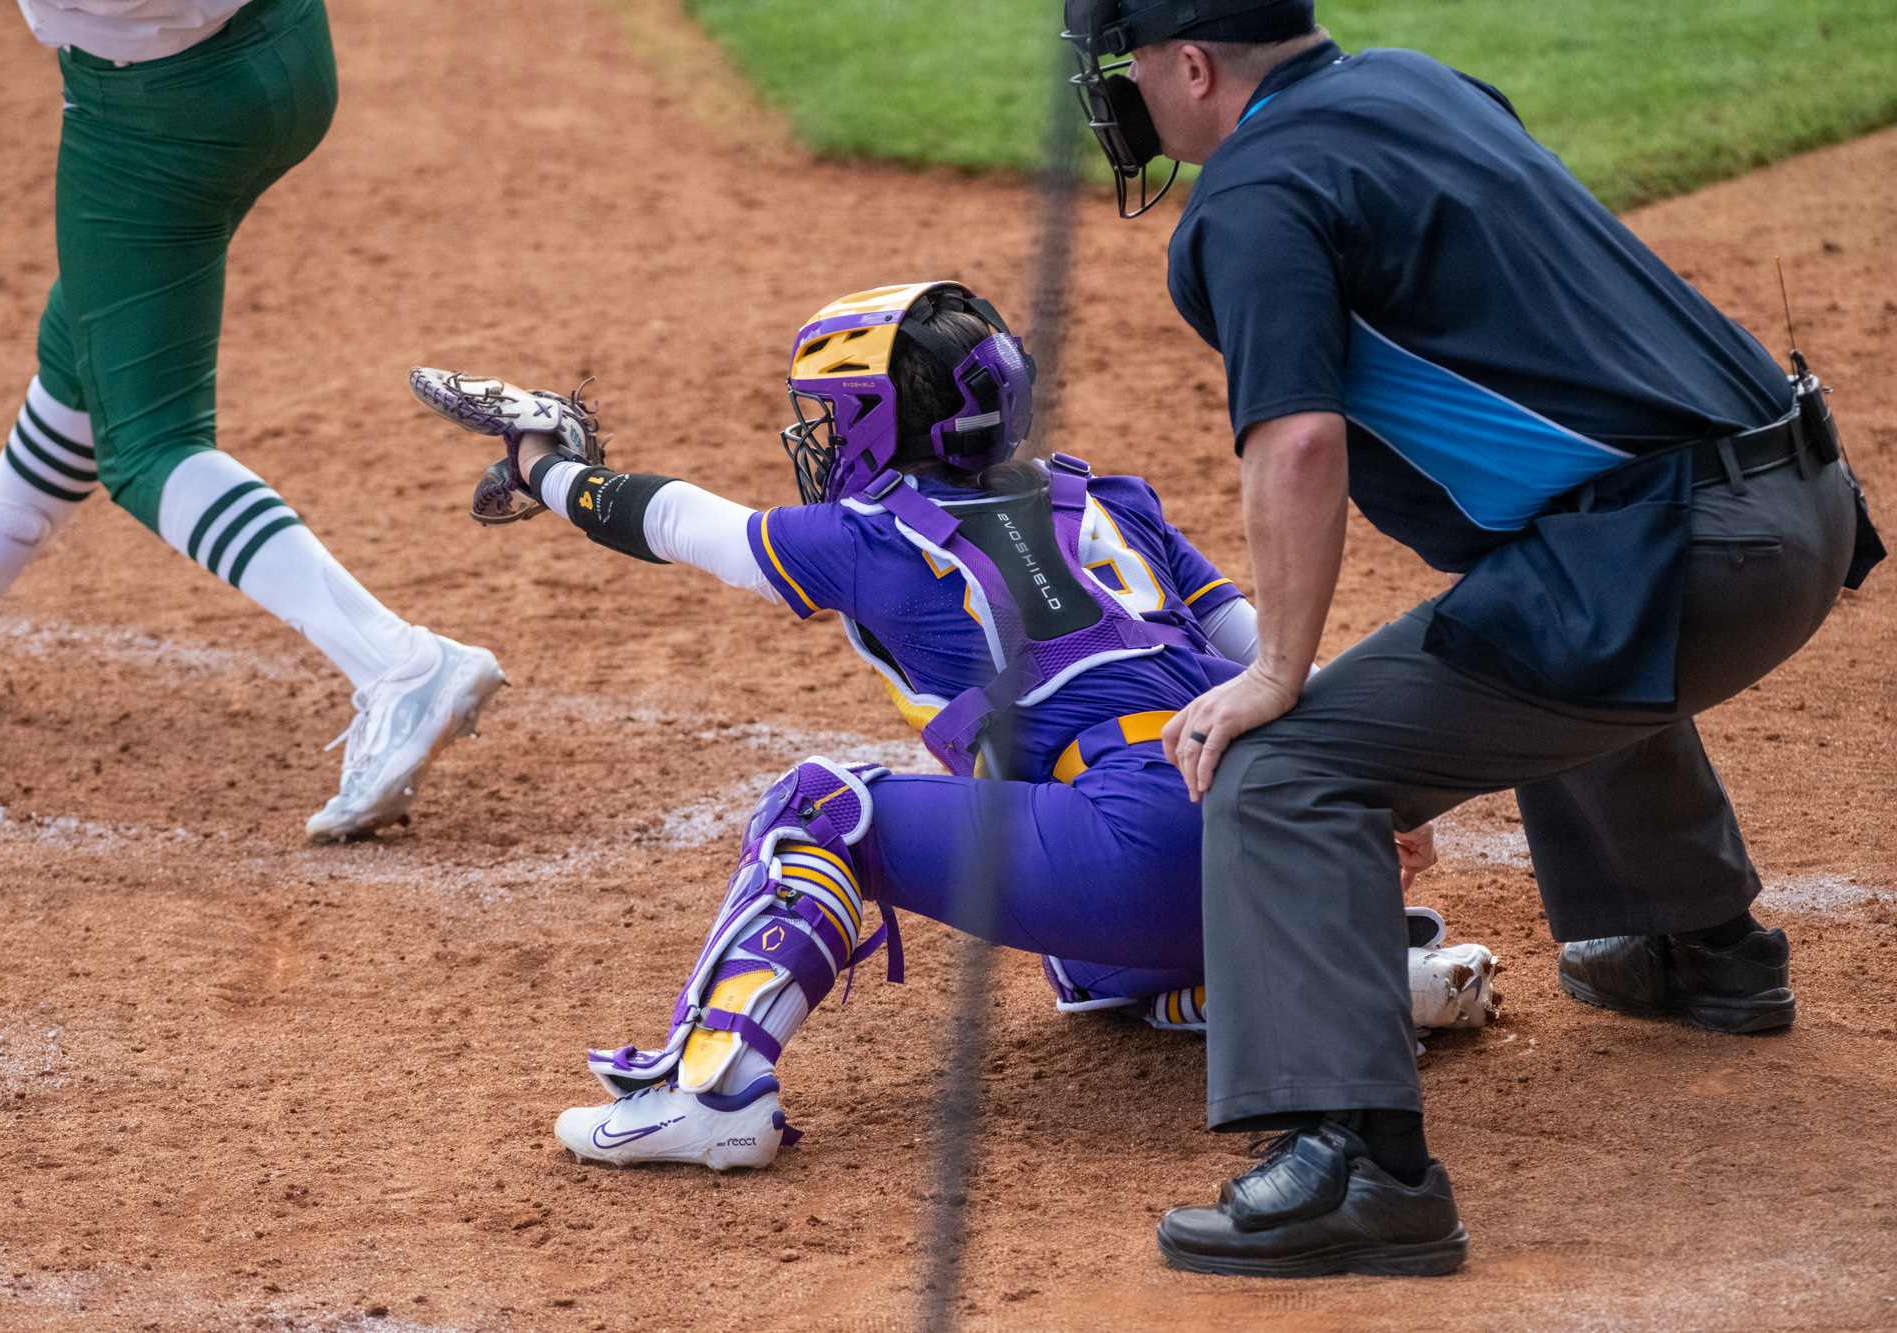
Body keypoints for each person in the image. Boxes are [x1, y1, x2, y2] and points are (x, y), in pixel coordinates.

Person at [1060, 0, 1881, 1280]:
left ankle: (1358, 1167)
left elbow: (1299, 440)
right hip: (1805, 507)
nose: (1116, 91)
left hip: (1684, 563)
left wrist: (1277, 677)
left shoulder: (1252, 194)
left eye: (1125, 63)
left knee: (1283, 771)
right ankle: (1694, 945)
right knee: (1533, 580)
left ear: (1189, 65)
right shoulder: (1418, 84)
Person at [407, 280, 1496, 1171]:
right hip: (1283, 836)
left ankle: (715, 1089)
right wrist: (1363, 802)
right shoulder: (1112, 500)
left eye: (831, 414)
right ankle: (1333, 981)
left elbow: (683, 523)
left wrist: (547, 469)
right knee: (1076, 964)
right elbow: (1270, 657)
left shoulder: (871, 538)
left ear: (879, 422)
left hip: (1134, 846)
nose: (819, 436)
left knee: (818, 807)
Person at [0, 0, 503, 842]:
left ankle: (399, 662)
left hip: (160, 110)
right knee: (97, 334)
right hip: (286, 51)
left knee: (148, 441)